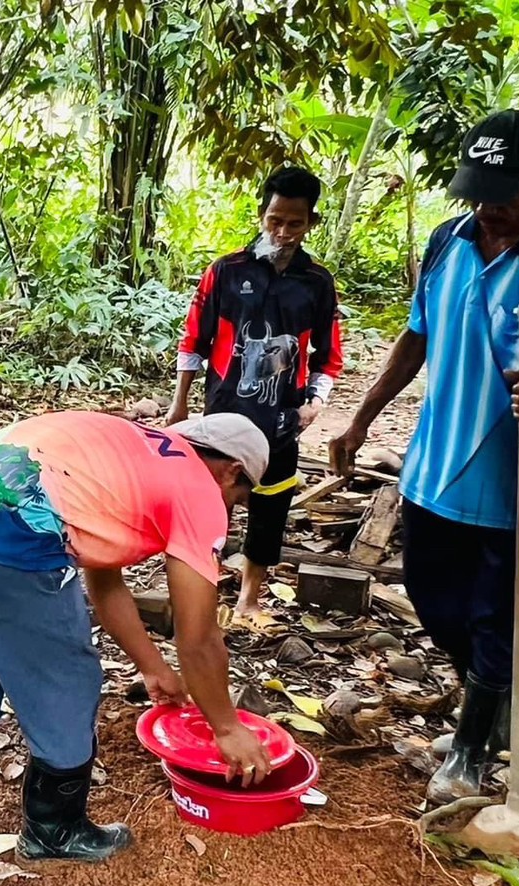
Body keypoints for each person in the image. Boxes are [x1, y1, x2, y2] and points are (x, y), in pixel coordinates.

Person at [328, 110, 519, 803]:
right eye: (477, 192)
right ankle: (490, 703)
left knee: (497, 614)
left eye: (504, 194)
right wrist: (360, 419)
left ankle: (469, 749)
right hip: (434, 466)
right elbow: (415, 337)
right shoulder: (447, 242)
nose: (488, 209)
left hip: (513, 479)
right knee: (434, 599)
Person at [0, 410, 276, 886]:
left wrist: (153, 667)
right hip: (5, 541)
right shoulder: (200, 492)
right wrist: (226, 727)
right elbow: (198, 638)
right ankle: (55, 833)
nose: (233, 506)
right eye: (239, 497)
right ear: (232, 472)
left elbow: (102, 577)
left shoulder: (135, 453)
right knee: (68, 686)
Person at [168, 167, 343, 630]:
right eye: (274, 220)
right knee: (210, 496)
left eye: (295, 223)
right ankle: (201, 582)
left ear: (311, 223)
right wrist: (180, 403)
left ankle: (249, 596)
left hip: (284, 415)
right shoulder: (226, 271)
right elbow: (194, 340)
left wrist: (316, 402)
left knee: (272, 501)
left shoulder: (317, 282)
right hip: (224, 411)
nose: (282, 232)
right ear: (262, 214)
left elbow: (329, 355)